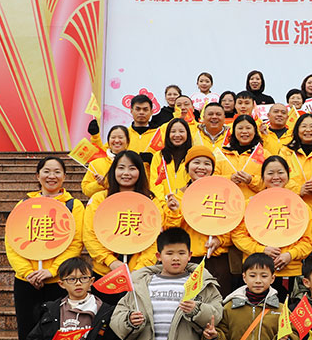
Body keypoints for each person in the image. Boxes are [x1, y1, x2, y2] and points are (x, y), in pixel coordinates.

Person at [6, 156, 84, 340]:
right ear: (37, 176)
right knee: (27, 331)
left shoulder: (73, 206)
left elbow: (76, 243)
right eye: (46, 171)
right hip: (27, 281)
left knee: (57, 333)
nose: (52, 176)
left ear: (64, 176)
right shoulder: (23, 205)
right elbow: (12, 242)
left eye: (57, 172)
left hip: (58, 282)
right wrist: (27, 272)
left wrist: (53, 271)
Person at [231, 156, 312, 299]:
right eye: (270, 173)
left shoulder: (301, 206)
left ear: (288, 175)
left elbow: (308, 242)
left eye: (280, 172)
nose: (276, 177)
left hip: (291, 271)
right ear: (262, 177)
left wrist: (290, 255)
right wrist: (262, 250)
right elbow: (238, 235)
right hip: (257, 271)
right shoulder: (249, 205)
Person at [83, 151, 160, 296]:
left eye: (132, 168)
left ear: (140, 172)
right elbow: (89, 235)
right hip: (106, 273)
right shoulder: (99, 199)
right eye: (121, 168)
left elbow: (155, 238)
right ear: (113, 171)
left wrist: (138, 270)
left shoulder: (150, 200)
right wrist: (111, 262)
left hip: (138, 275)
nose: (126, 173)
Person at [162, 146, 233, 296]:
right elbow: (170, 230)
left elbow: (232, 224)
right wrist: (174, 211)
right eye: (196, 162)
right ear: (187, 167)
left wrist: (220, 240)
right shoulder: (177, 196)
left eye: (207, 164)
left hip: (215, 258)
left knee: (216, 300)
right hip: (188, 259)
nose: (201, 167)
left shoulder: (221, 195)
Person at [218, 114, 266, 200]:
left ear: (255, 130)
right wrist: (229, 179)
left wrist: (251, 180)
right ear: (234, 130)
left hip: (254, 203)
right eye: (240, 128)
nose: (244, 131)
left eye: (248, 128)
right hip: (225, 203)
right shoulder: (222, 153)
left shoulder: (264, 154)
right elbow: (211, 179)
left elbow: (269, 182)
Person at [150, 119, 192, 200]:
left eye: (181, 131)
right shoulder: (159, 156)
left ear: (187, 134)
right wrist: (164, 202)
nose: (177, 135)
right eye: (173, 131)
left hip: (187, 203)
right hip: (164, 204)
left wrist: (179, 198)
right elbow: (155, 184)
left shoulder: (193, 156)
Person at [82, 125, 129, 197]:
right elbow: (86, 190)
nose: (116, 141)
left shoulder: (133, 161)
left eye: (120, 137)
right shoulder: (96, 163)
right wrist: (99, 184)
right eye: (113, 137)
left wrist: (106, 183)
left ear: (127, 141)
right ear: (108, 141)